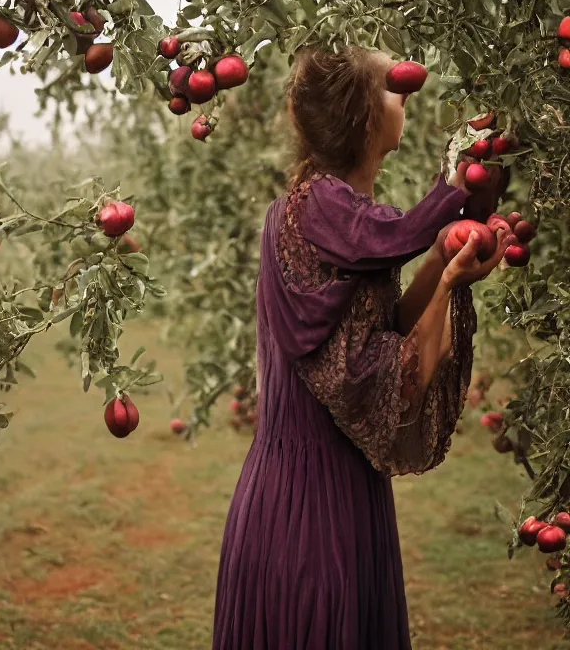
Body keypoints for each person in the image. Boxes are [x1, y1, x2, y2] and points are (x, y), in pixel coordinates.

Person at [211, 45, 513, 649]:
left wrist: (440, 265)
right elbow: (392, 375)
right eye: (394, 87)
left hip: (337, 493)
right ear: (364, 117)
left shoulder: (331, 215)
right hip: (307, 509)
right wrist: (454, 200)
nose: (407, 95)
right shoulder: (318, 208)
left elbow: (381, 332)